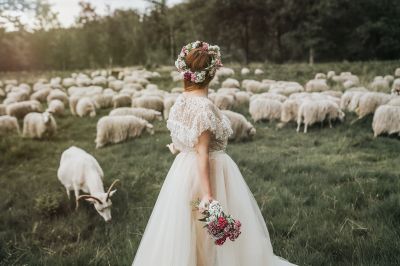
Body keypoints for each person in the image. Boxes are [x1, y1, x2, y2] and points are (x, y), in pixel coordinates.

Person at [132, 41, 296, 266]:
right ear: (211, 73)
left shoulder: (180, 101)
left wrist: (178, 148)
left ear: (186, 73)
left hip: (183, 171)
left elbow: (183, 139)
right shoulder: (204, 107)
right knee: (209, 227)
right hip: (209, 172)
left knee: (190, 228)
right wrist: (209, 195)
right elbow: (202, 152)